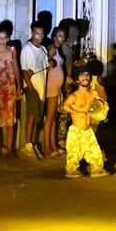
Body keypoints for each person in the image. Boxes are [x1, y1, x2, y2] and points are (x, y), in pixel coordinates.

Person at [62, 65, 109, 178]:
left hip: (88, 130)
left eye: (87, 75)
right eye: (82, 75)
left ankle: (96, 169)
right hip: (76, 130)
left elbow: (101, 103)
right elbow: (65, 106)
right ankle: (72, 170)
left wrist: (104, 106)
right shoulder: (74, 96)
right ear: (77, 80)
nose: (85, 77)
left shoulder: (93, 94)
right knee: (74, 153)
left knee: (94, 151)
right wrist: (77, 112)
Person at [0, 22, 21, 156]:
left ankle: (9, 148)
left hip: (9, 88)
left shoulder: (12, 50)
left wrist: (19, 86)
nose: (2, 40)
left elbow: (16, 68)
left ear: (7, 38)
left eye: (4, 38)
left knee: (9, 120)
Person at [20, 20, 51, 158]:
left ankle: (32, 142)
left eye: (41, 34)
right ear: (32, 33)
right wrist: (30, 87)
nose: (39, 36)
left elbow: (46, 66)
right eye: (37, 33)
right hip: (32, 87)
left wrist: (51, 64)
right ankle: (27, 143)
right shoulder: (27, 49)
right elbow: (24, 70)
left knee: (38, 117)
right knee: (31, 115)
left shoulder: (43, 49)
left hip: (42, 87)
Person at [43, 26, 67, 157]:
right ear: (54, 36)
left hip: (57, 86)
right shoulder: (52, 48)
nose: (61, 38)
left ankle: (53, 144)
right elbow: (46, 64)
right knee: (50, 116)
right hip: (51, 85)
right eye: (59, 35)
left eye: (63, 36)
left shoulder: (59, 49)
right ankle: (47, 147)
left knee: (54, 117)